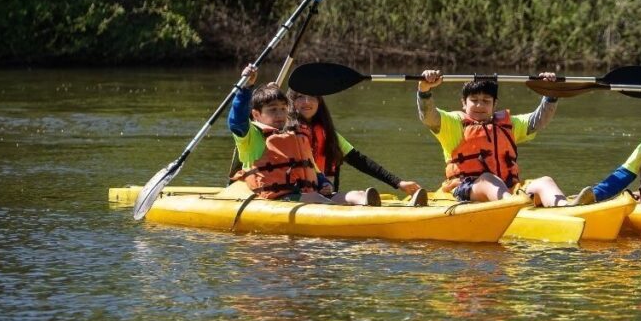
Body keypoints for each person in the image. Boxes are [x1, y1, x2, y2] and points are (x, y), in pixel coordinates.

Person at [416, 69, 591, 207]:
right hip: (465, 189)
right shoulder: (453, 124)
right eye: (474, 100)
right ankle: (512, 206)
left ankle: (566, 208)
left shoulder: (508, 125)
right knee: (488, 180)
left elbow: (538, 121)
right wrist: (424, 90)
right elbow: (428, 116)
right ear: (464, 102)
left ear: (494, 104)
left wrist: (550, 93)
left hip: (508, 189)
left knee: (545, 181)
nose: (479, 105)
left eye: (486, 101)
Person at [227, 64, 380, 206]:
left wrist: (323, 183)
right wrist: (246, 88)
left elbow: (312, 169)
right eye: (272, 110)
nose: (279, 114)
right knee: (315, 198)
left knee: (354, 195)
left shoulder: (295, 136)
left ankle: (363, 201)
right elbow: (237, 120)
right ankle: (341, 213)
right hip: (278, 198)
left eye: (283, 109)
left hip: (306, 195)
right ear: (256, 114)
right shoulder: (251, 136)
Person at [287, 89, 428, 206]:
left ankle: (392, 208)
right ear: (290, 102)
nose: (307, 101)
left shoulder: (329, 135)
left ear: (319, 102)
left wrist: (398, 183)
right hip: (297, 197)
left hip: (327, 195)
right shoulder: (282, 133)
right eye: (300, 97)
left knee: (358, 195)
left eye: (312, 96)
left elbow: (361, 162)